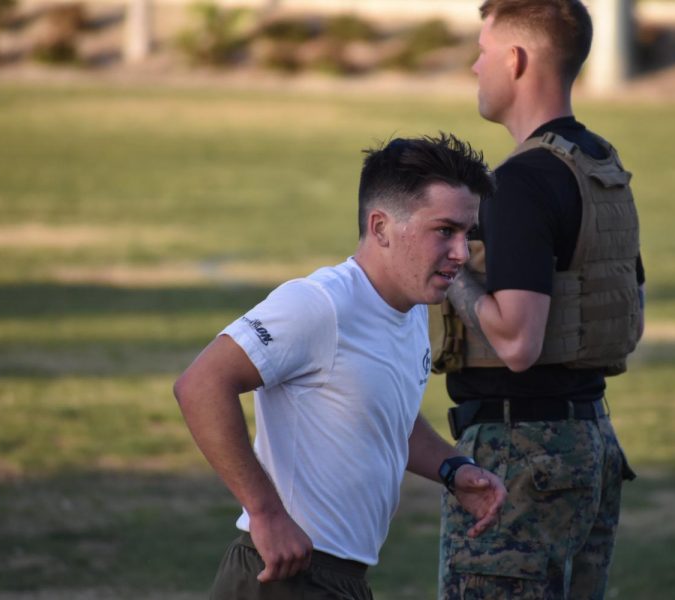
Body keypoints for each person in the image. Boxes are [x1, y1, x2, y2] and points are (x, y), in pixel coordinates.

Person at [174, 133, 507, 600]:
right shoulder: (320, 304)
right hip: (281, 577)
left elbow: (382, 414)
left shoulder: (410, 310)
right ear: (381, 226)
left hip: (343, 581)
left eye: (466, 234)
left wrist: (453, 468)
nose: (460, 253)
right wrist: (266, 513)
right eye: (444, 231)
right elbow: (201, 385)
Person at [436, 1, 645, 598]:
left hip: (521, 457)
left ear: (517, 59)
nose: (475, 67)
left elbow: (518, 342)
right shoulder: (600, 165)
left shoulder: (522, 181)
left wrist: (449, 269)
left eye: (482, 51)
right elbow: (630, 307)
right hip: (590, 443)